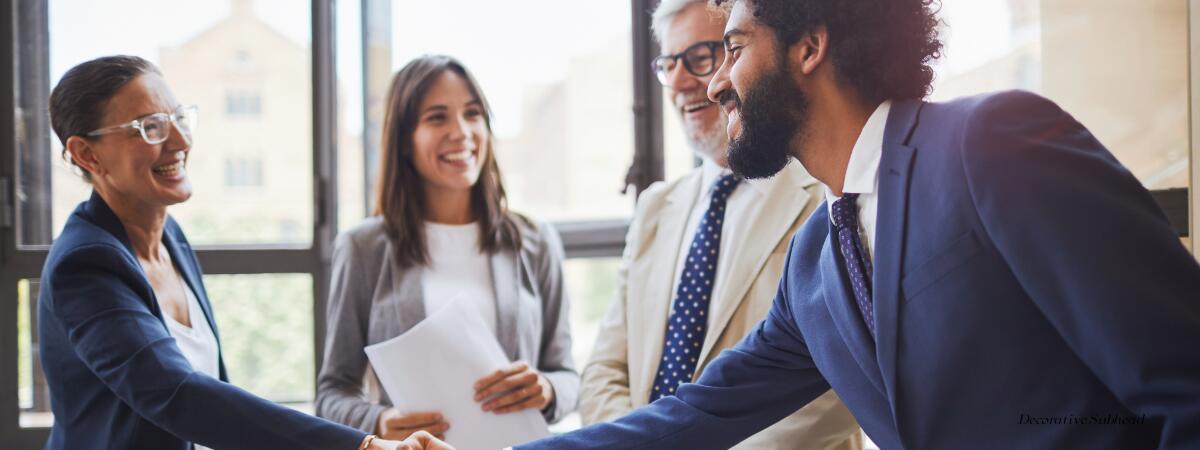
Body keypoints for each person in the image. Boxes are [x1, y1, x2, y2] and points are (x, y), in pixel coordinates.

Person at [516, 0, 1200, 448]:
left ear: (809, 45)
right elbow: (692, 417)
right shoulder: (815, 260)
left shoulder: (988, 141)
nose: (716, 83)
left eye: (734, 48)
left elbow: (1182, 378)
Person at [38, 55, 443, 450]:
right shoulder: (85, 264)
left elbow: (212, 392)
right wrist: (363, 445)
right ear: (87, 154)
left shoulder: (168, 237)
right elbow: (178, 394)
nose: (179, 141)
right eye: (150, 128)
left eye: (178, 118)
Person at [577, 1, 859, 449]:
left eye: (703, 57)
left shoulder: (827, 194)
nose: (688, 83)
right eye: (669, 65)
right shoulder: (655, 207)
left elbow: (837, 387)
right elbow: (604, 371)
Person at [315, 55, 577, 442]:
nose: (461, 132)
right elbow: (331, 393)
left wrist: (549, 389)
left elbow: (568, 375)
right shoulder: (363, 249)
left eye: (473, 114)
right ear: (405, 139)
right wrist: (380, 421)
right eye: (437, 117)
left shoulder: (534, 241)